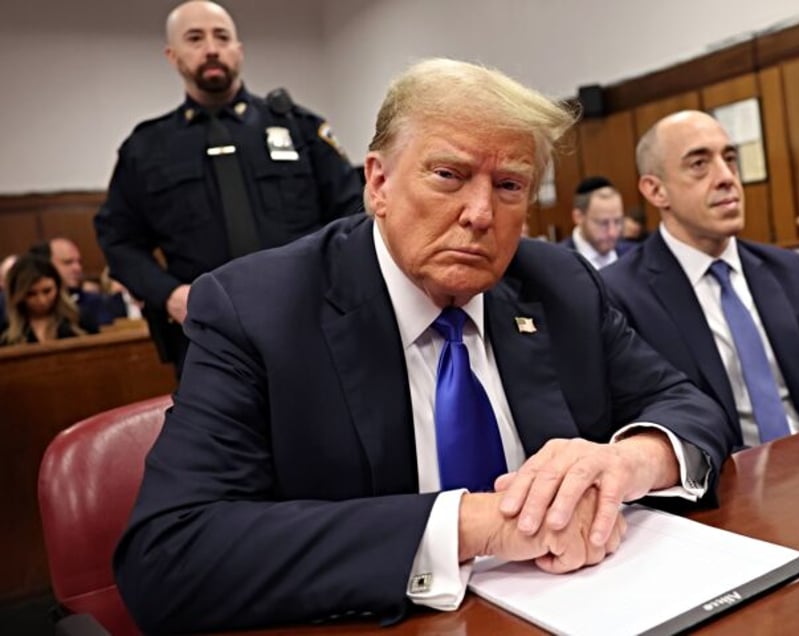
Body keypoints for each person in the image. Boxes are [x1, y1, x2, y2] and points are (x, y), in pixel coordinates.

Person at [114, 59, 734, 633]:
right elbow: (170, 553)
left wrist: (626, 464)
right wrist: (477, 525)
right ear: (378, 182)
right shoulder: (257, 310)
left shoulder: (560, 283)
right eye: (448, 175)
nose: (480, 214)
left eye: (511, 185)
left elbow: (692, 407)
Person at [94, 0, 363, 374]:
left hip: (310, 322)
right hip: (209, 335)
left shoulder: (299, 128)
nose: (211, 48)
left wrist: (329, 283)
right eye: (195, 38)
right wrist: (169, 295)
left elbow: (353, 213)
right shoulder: (146, 148)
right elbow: (118, 239)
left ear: (239, 50)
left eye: (222, 37)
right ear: (172, 56)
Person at [602, 110, 799, 449]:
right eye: (699, 164)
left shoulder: (793, 273)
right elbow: (649, 429)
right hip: (721, 483)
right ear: (656, 191)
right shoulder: (618, 296)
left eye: (729, 159)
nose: (726, 177)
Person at [29, 238, 125, 328]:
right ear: (45, 265)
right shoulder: (35, 306)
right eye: (68, 262)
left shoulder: (93, 302)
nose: (77, 268)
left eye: (78, 262)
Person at [1, 254, 92, 345]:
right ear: (18, 295)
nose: (42, 300)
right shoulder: (4, 332)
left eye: (47, 291)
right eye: (31, 294)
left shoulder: (79, 321)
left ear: (58, 287)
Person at [560, 176, 633, 269]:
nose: (613, 233)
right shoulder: (558, 261)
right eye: (603, 223)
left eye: (618, 221)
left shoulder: (634, 256)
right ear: (578, 217)